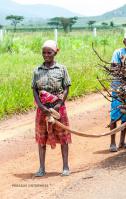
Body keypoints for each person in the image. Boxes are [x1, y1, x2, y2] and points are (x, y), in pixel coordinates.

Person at [32, 40, 72, 177]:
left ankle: (65, 166)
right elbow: (35, 90)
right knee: (41, 138)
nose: (46, 55)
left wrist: (59, 103)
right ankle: (42, 168)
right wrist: (41, 106)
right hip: (42, 110)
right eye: (44, 52)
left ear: (56, 52)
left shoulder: (62, 69)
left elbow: (66, 88)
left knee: (64, 137)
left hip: (58, 108)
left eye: (49, 52)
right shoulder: (37, 70)